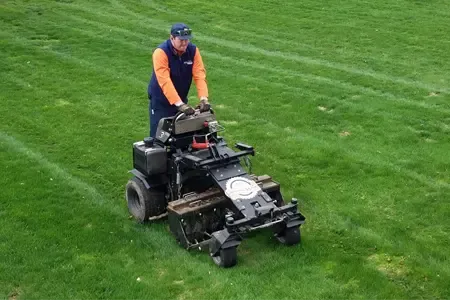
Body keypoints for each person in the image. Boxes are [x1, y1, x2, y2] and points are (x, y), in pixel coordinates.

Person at [147, 23, 210, 137]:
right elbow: (164, 81)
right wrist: (179, 104)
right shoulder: (161, 53)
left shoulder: (193, 51)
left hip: (181, 101)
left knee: (183, 137)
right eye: (181, 40)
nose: (185, 43)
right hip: (161, 104)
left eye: (187, 40)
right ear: (172, 38)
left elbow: (199, 75)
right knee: (160, 139)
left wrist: (203, 99)